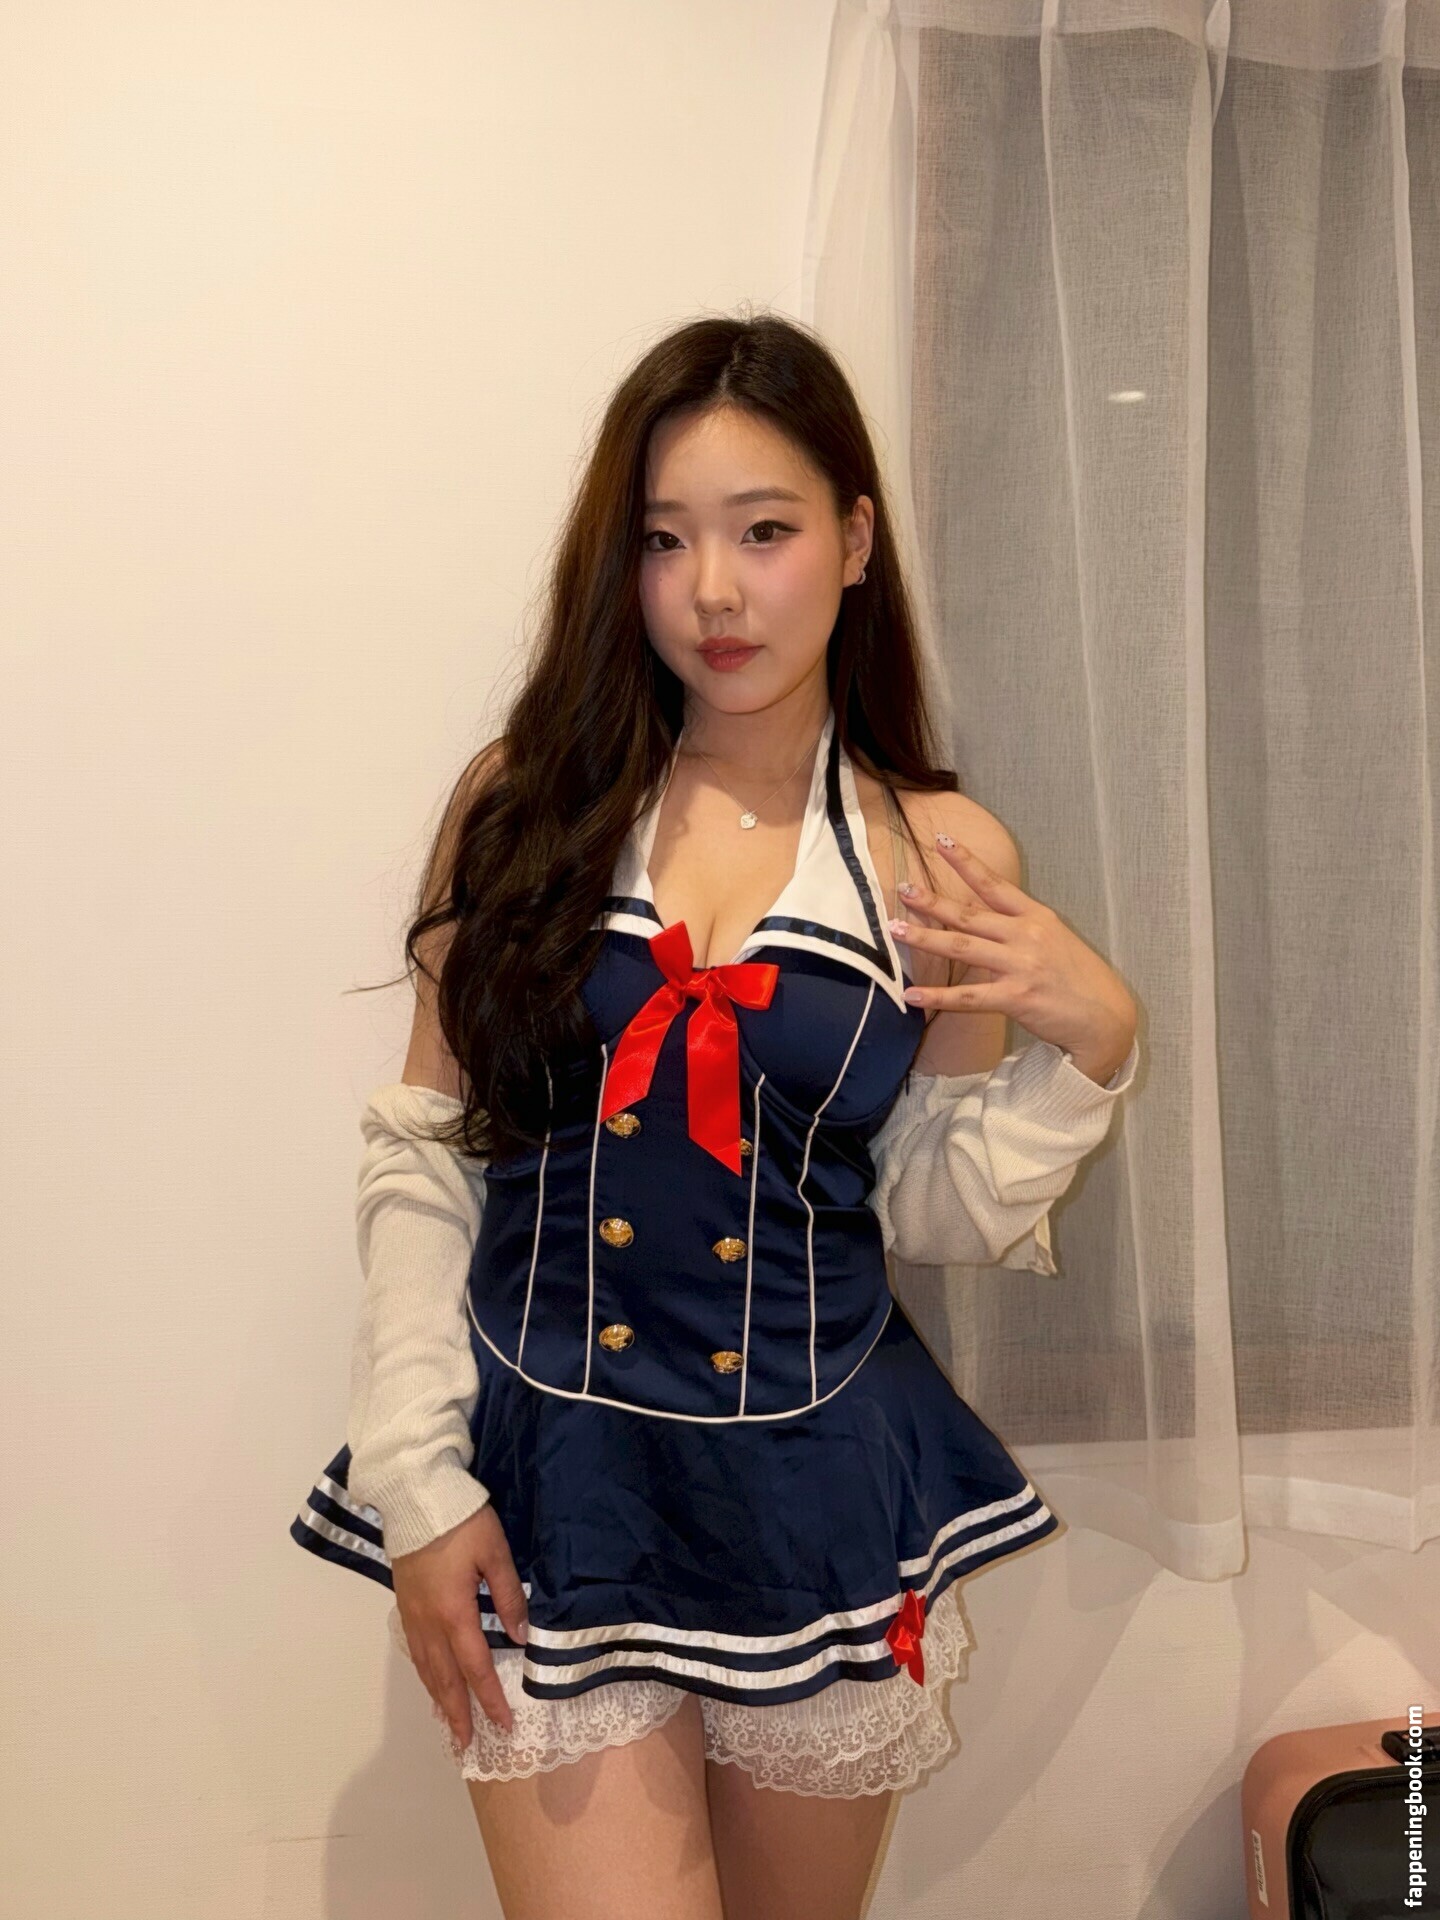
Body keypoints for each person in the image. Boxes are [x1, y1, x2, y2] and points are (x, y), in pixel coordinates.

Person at [290, 310, 1140, 1919]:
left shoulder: (940, 853)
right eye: (666, 540)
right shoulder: (523, 802)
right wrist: (419, 1480)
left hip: (821, 1494)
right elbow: (427, 1147)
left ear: (856, 540)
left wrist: (1092, 1042)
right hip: (553, 1476)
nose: (717, 593)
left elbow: (935, 1207)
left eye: (764, 531)